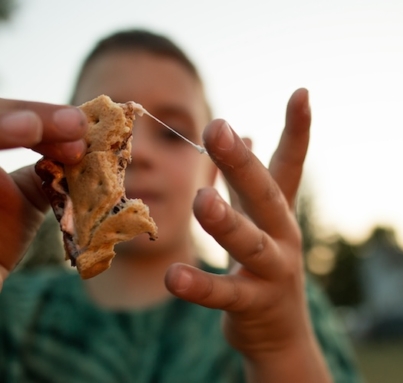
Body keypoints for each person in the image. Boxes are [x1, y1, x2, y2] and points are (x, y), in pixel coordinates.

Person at [0, 29, 363, 383]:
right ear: (62, 161)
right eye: (101, 134)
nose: (138, 152)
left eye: (171, 132)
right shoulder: (11, 312)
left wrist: (280, 348)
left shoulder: (278, 306)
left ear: (212, 169)